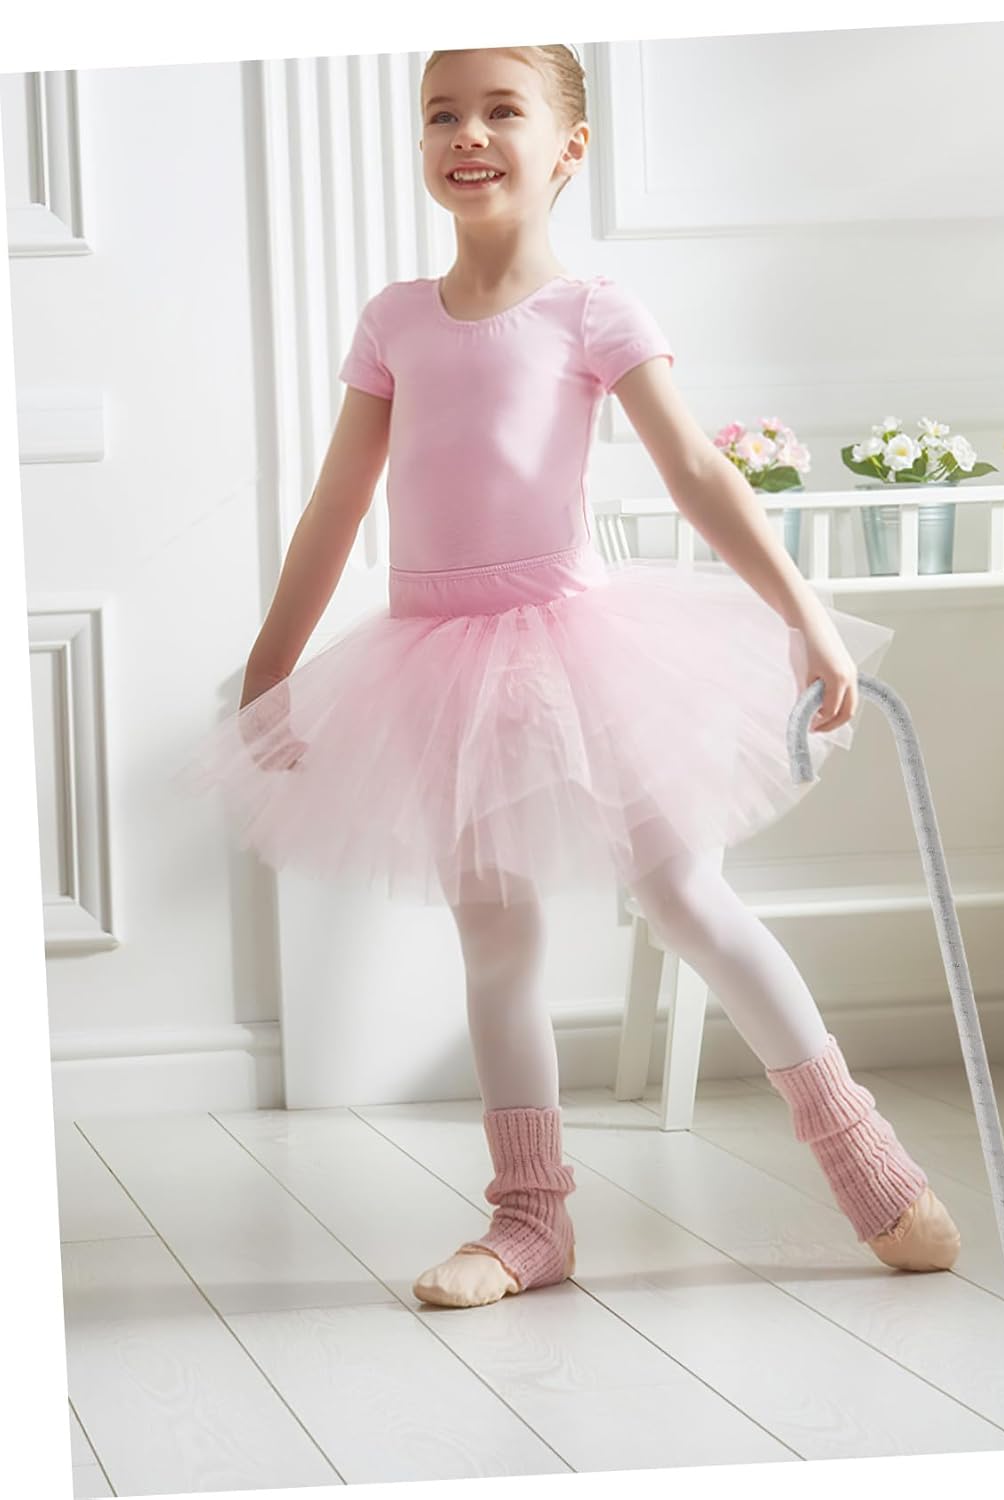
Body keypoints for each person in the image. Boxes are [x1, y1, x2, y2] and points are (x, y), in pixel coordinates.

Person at [176, 43, 960, 1309]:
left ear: (569, 148)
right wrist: (274, 663)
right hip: (438, 665)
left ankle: (867, 1161)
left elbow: (698, 472)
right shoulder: (394, 320)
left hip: (578, 649)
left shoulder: (594, 312)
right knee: (496, 937)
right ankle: (529, 1220)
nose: (468, 134)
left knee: (687, 895)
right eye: (443, 113)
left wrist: (806, 617)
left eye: (502, 111)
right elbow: (339, 501)